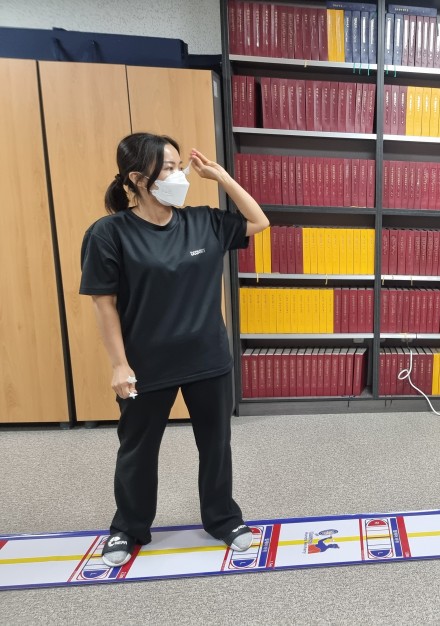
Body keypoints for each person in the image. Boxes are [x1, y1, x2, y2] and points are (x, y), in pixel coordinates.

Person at [80, 132, 270, 567]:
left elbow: (258, 221)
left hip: (208, 359)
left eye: (178, 165)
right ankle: (128, 528)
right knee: (137, 451)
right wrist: (119, 365)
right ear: (137, 178)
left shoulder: (204, 221)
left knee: (216, 445)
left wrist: (222, 177)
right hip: (146, 365)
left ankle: (223, 519)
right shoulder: (109, 233)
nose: (179, 175)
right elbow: (104, 303)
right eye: (167, 168)